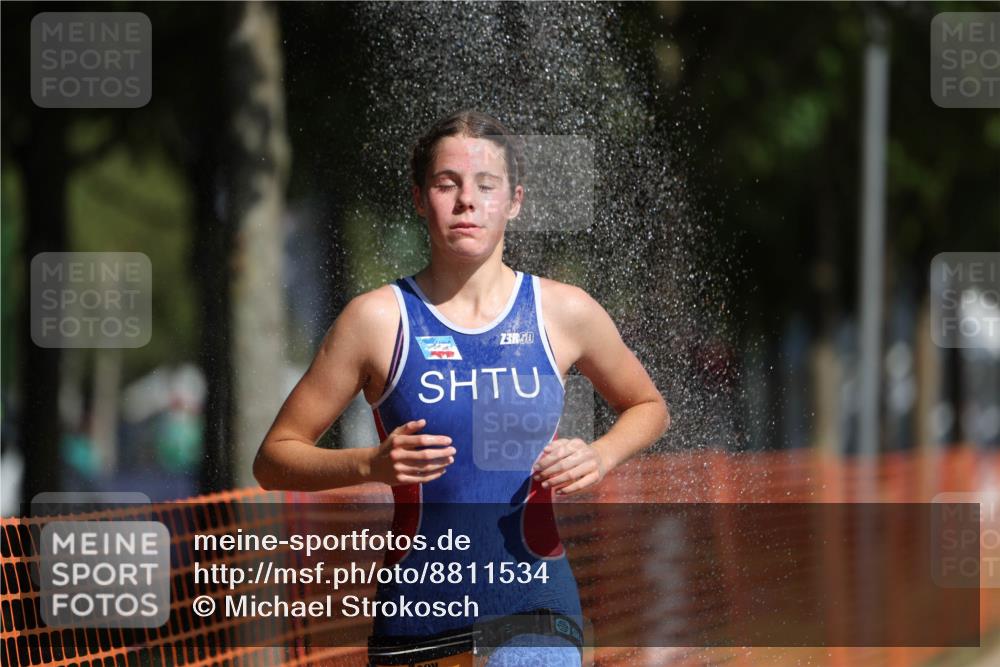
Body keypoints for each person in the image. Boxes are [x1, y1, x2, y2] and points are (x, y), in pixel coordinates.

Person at [253, 110, 670, 667]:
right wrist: (369, 465)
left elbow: (648, 406)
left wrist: (601, 453)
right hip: (418, 616)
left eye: (485, 185)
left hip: (534, 608)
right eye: (446, 184)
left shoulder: (563, 312)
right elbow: (273, 459)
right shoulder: (377, 321)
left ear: (514, 201)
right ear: (420, 199)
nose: (466, 201)